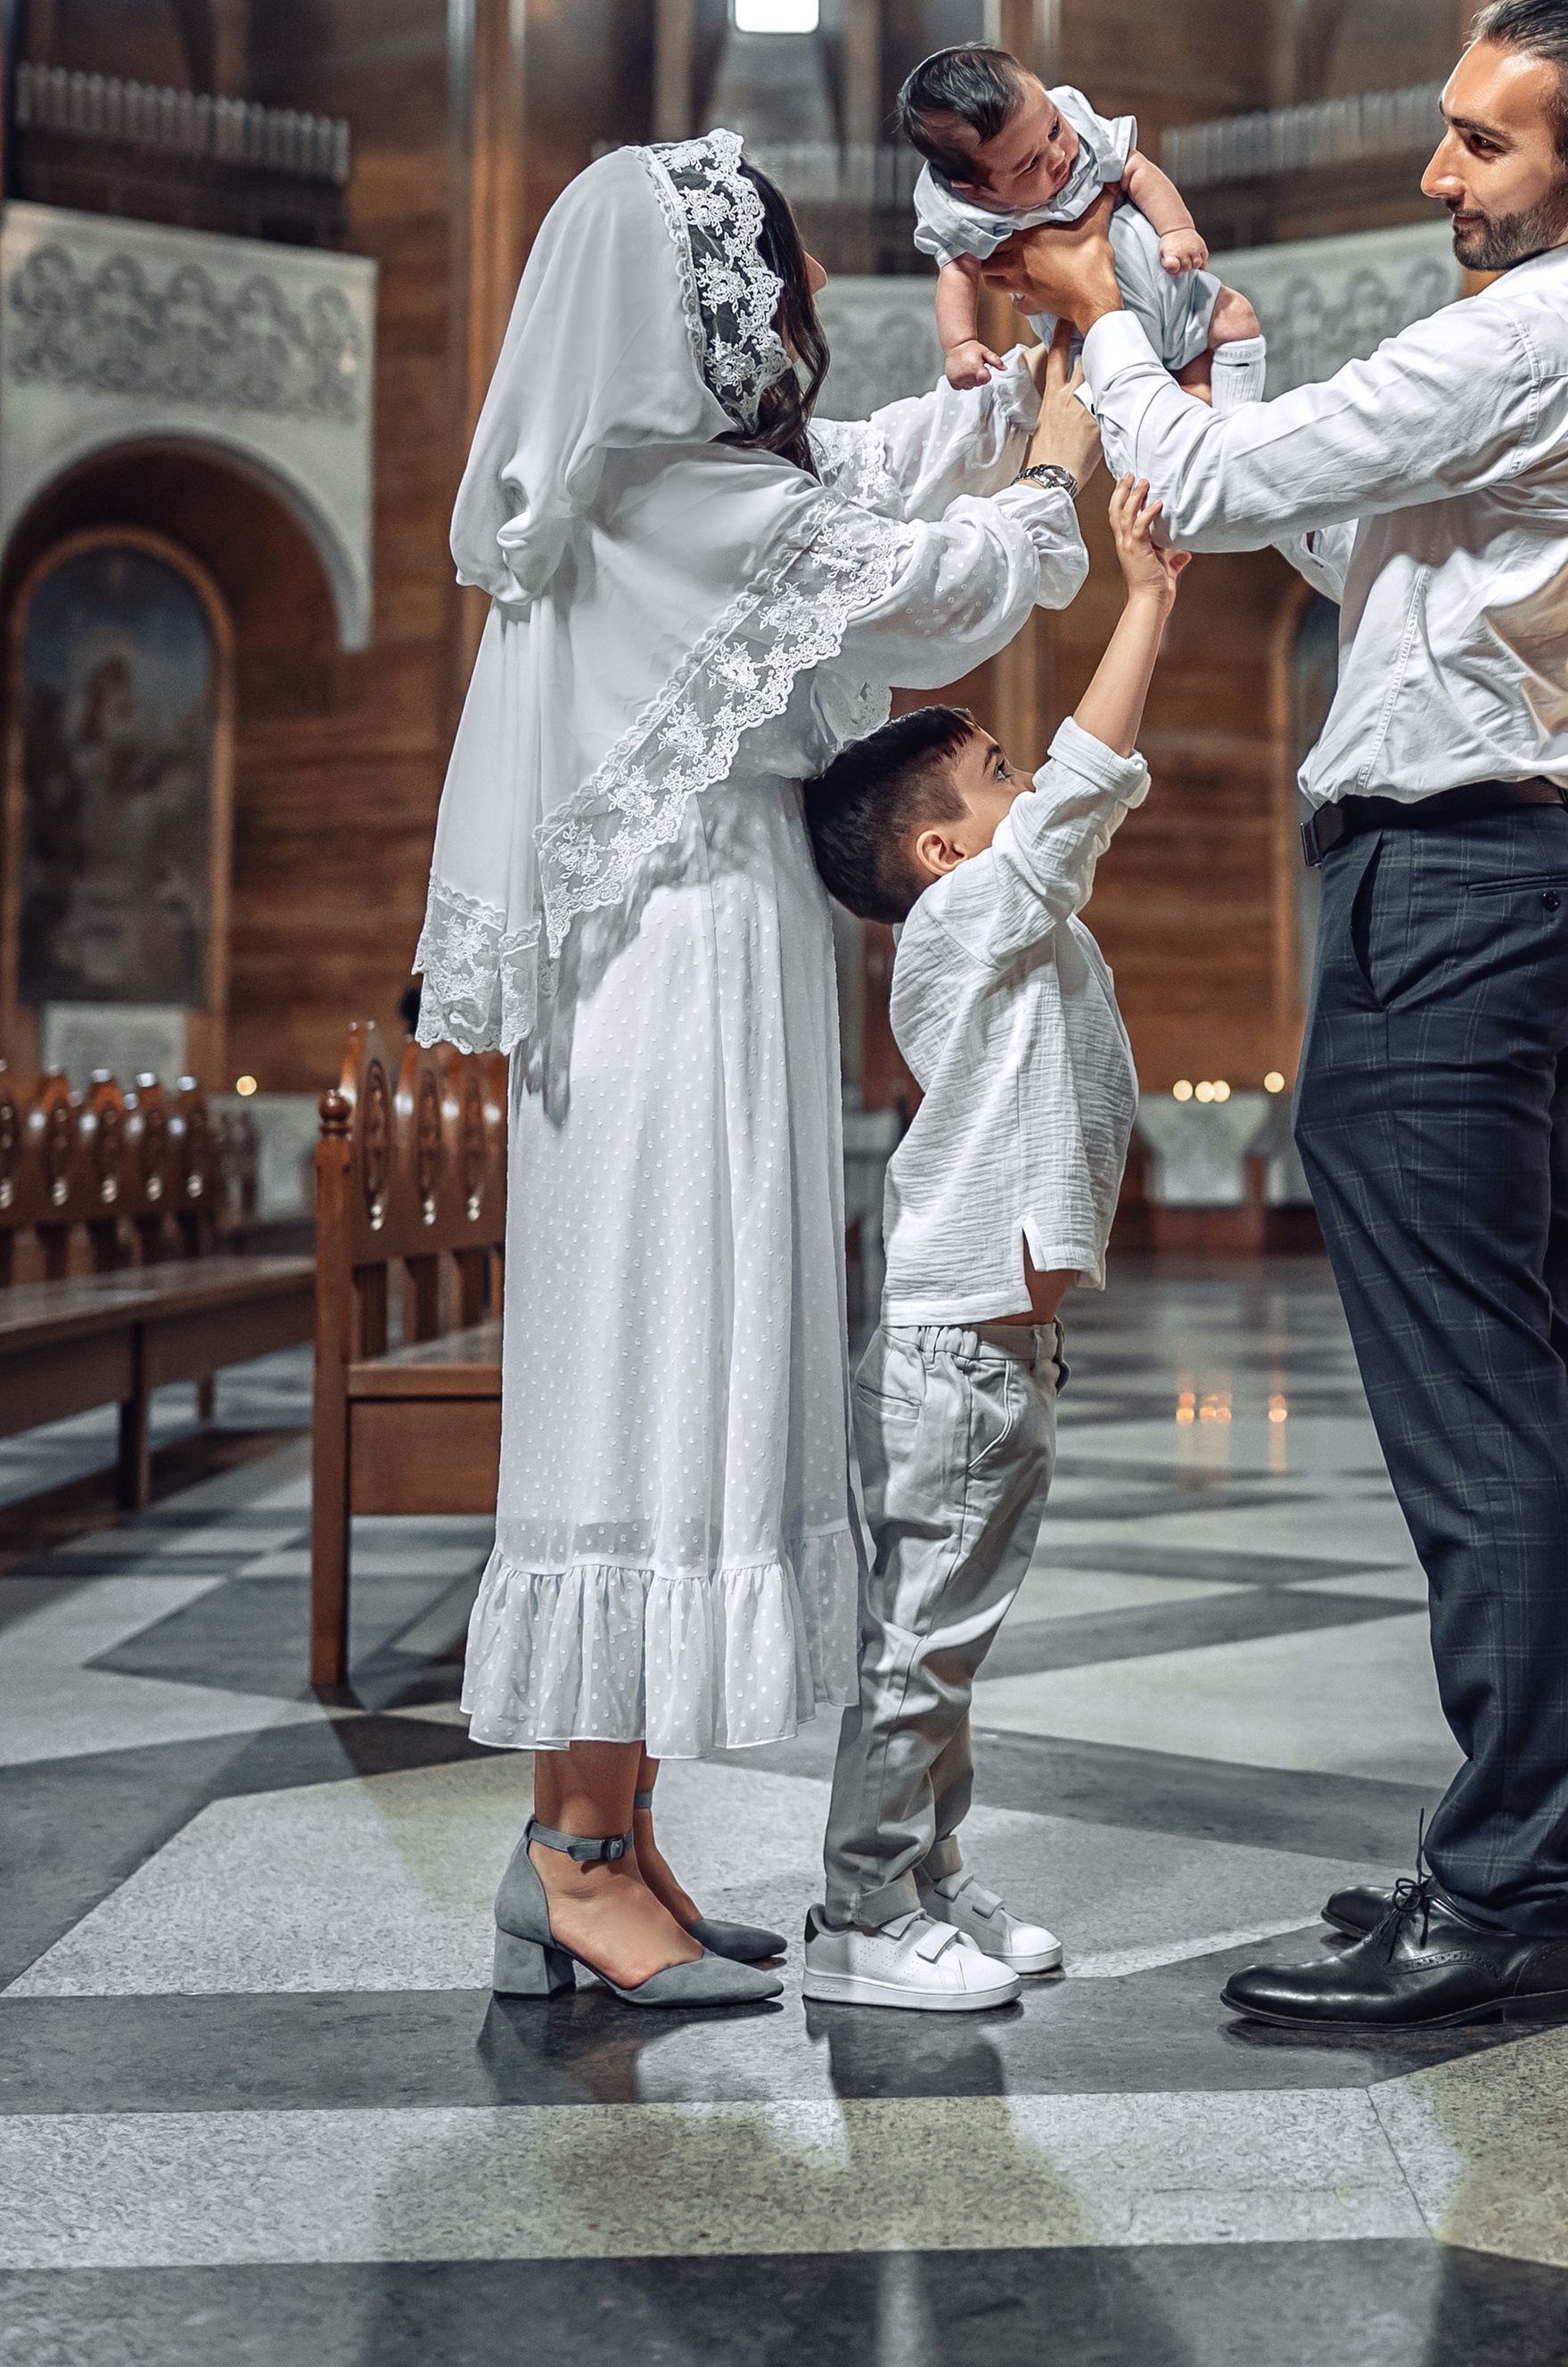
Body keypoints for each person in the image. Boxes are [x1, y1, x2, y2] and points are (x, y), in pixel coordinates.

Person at [1003, 0, 1568, 2034]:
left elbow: (1240, 491)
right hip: (1501, 879)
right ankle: (1556, 1862)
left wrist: (1094, 311)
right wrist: (1216, 348)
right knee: (1539, 1402)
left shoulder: (1540, 325)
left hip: (1437, 891)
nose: (1434, 173)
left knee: (1477, 1420)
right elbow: (1349, 536)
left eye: (1477, 143)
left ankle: (1507, 1885)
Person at [412, 126, 1099, 2009]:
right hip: (667, 989)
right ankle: (572, 1857)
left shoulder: (687, 484)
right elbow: (941, 588)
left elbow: (869, 473)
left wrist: (985, 368)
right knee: (653, 1376)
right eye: (775, 271)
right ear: (693, 306)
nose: (798, 298)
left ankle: (610, 1841)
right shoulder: (671, 499)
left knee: (684, 1365)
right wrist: (1057, 457)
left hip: (711, 963)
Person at [794, 473, 1183, 2010]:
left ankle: (933, 1882)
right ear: (943, 857)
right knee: (925, 1641)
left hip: (998, 1342)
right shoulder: (968, 924)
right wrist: (1145, 600)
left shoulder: (997, 916)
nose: (1026, 785)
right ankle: (859, 1918)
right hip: (958, 1346)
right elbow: (1087, 794)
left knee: (954, 1632)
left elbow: (1064, 821)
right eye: (998, 774)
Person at [898, 46, 1262, 406]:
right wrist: (961, 345)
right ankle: (1184, 416)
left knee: (1235, 318)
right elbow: (958, 272)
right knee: (1095, 400)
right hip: (1086, 336)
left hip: (1175, 296)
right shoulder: (965, 214)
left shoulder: (1079, 128)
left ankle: (1233, 425)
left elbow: (1136, 169)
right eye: (1029, 165)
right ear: (976, 191)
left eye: (1055, 129)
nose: (1058, 157)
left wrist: (1177, 229)